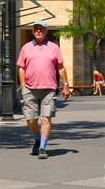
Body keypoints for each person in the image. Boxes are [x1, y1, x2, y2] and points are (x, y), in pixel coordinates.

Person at [17, 21, 70, 159]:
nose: (38, 31)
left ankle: (42, 147)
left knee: (46, 119)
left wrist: (66, 85)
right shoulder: (26, 48)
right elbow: (21, 68)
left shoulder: (54, 47)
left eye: (41, 29)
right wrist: (22, 85)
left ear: (46, 31)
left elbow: (60, 67)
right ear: (33, 31)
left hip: (49, 89)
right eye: (36, 29)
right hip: (29, 88)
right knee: (31, 120)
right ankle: (37, 138)